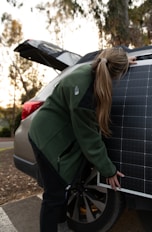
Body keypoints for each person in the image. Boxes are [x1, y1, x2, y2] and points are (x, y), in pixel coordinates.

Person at [28, 47, 136, 232]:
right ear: (116, 74)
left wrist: (123, 62)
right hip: (47, 139)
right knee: (54, 195)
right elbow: (90, 141)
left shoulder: (90, 68)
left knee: (61, 187)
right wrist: (109, 170)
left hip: (51, 130)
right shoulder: (85, 97)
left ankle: (61, 225)